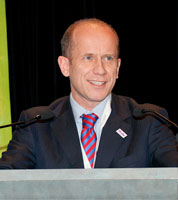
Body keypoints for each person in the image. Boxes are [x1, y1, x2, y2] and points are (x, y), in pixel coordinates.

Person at [0, 18, 177, 169]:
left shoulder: (148, 122)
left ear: (117, 67)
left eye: (108, 58)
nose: (100, 70)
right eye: (88, 58)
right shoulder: (36, 125)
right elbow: (5, 181)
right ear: (65, 66)